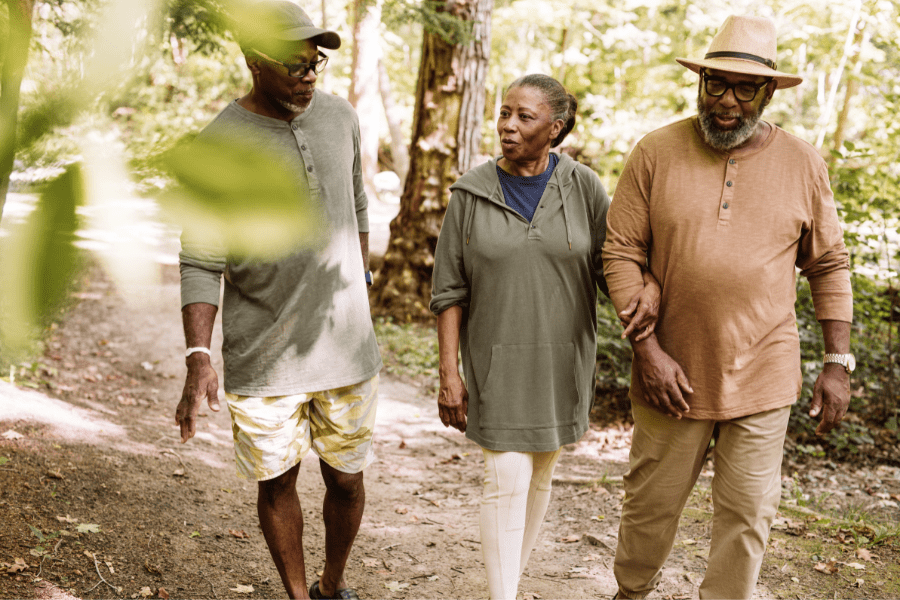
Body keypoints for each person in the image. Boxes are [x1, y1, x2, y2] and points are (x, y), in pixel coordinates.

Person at [603, 15, 854, 599]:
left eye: (744, 89)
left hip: (763, 372)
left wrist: (837, 361)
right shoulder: (656, 151)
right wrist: (647, 350)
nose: (726, 101)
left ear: (768, 94)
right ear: (700, 81)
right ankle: (631, 592)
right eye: (716, 83)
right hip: (671, 371)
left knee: (747, 515)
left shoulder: (803, 163)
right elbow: (620, 250)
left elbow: (829, 264)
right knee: (650, 508)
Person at [174, 2, 382, 598]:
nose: (309, 73)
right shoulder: (218, 145)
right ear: (252, 61)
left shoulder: (341, 117)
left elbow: (358, 204)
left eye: (315, 61)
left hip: (346, 349)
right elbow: (201, 257)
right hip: (264, 357)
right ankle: (297, 595)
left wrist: (358, 285)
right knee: (277, 484)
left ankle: (331, 584)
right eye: (294, 62)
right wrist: (198, 356)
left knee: (346, 480)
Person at [430, 74, 660, 600]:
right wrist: (450, 375)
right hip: (496, 364)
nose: (508, 125)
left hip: (563, 362)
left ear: (555, 128)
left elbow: (613, 265)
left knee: (537, 478)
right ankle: (503, 595)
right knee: (504, 481)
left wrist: (649, 286)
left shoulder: (583, 187)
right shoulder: (470, 192)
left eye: (524, 117)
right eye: (504, 113)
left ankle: (508, 581)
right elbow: (448, 292)